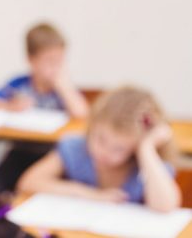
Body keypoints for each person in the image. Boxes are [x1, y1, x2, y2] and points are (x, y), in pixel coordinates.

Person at [0, 23, 89, 205]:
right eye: (49, 61)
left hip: (53, 158)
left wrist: (64, 86)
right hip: (21, 152)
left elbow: (82, 114)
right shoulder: (20, 85)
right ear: (31, 60)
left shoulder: (63, 89)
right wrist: (9, 106)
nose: (55, 67)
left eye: (60, 61)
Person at [18, 86, 181, 212]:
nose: (105, 152)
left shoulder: (147, 165)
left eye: (119, 148)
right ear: (92, 124)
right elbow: (28, 182)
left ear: (134, 148)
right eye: (100, 139)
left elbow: (165, 206)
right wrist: (90, 195)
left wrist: (146, 148)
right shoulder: (76, 148)